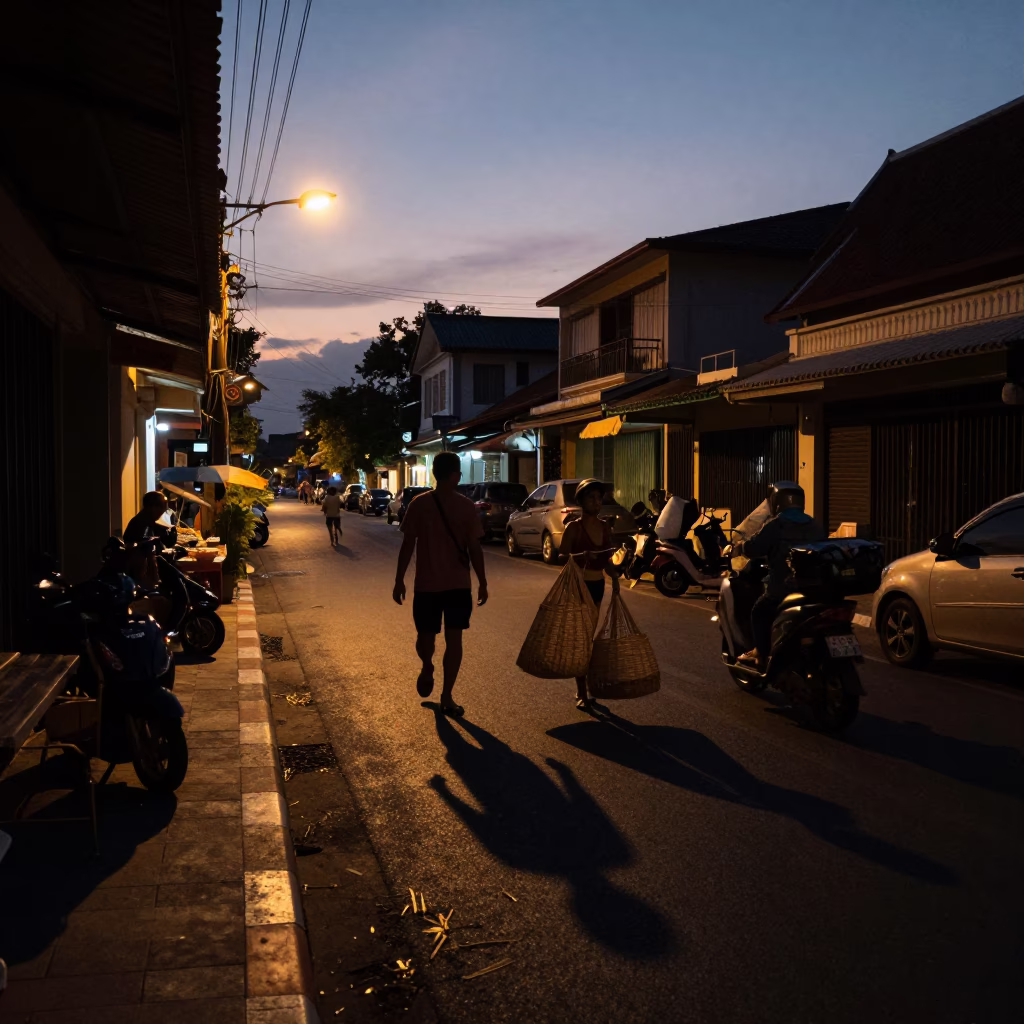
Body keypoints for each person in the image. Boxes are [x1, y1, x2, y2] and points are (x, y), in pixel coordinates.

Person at [393, 452, 487, 717]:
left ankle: (442, 689)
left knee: (429, 638)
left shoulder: (419, 504)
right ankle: (436, 681)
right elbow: (475, 548)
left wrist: (399, 579)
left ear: (434, 473)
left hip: (429, 586)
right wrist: (483, 582)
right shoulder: (465, 506)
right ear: (455, 474)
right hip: (456, 585)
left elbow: (407, 545)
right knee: (450, 640)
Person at [737, 481, 825, 671]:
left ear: (776, 502)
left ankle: (760, 654)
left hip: (783, 588)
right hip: (815, 590)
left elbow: (755, 547)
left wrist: (739, 548)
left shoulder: (776, 524)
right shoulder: (814, 524)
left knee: (759, 612)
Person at [558, 478, 613, 710]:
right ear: (581, 501)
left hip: (598, 585)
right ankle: (582, 692)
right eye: (591, 498)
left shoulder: (604, 527)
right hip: (578, 588)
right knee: (582, 639)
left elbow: (608, 559)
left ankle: (587, 688)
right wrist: (581, 555)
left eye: (599, 498)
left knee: (588, 639)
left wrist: (617, 579)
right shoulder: (573, 527)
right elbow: (561, 556)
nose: (596, 502)